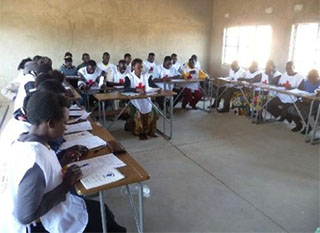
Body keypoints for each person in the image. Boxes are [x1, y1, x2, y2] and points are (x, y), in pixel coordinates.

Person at [0, 91, 126, 233]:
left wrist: (64, 159)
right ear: (51, 123)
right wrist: (66, 184)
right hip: (36, 226)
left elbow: (44, 175)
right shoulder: (34, 159)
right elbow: (25, 216)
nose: (66, 128)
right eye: (64, 123)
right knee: (104, 221)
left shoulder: (25, 140)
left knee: (102, 210)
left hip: (47, 212)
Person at [124, 58, 160, 140]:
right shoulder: (129, 77)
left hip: (146, 100)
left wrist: (158, 88)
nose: (141, 69)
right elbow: (125, 89)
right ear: (133, 67)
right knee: (137, 115)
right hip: (134, 101)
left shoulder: (146, 76)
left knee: (156, 113)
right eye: (138, 67)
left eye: (142, 67)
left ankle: (149, 130)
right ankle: (138, 130)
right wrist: (136, 90)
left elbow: (153, 85)